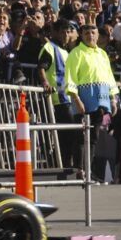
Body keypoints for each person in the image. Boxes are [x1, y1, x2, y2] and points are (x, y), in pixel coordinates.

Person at [65, 22, 121, 180]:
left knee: (94, 137)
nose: (90, 36)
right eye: (87, 33)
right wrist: (77, 99)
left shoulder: (102, 54)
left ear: (98, 35)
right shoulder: (76, 53)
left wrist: (113, 98)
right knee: (82, 137)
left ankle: (89, 170)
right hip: (83, 101)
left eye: (93, 33)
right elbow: (70, 78)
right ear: (82, 36)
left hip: (100, 101)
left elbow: (109, 77)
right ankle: (80, 170)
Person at [38, 20, 80, 168]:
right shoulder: (50, 47)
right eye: (63, 31)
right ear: (55, 32)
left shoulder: (65, 50)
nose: (66, 34)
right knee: (66, 135)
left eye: (68, 31)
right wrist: (45, 83)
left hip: (68, 98)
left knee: (69, 135)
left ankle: (67, 164)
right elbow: (42, 67)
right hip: (58, 99)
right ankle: (64, 164)